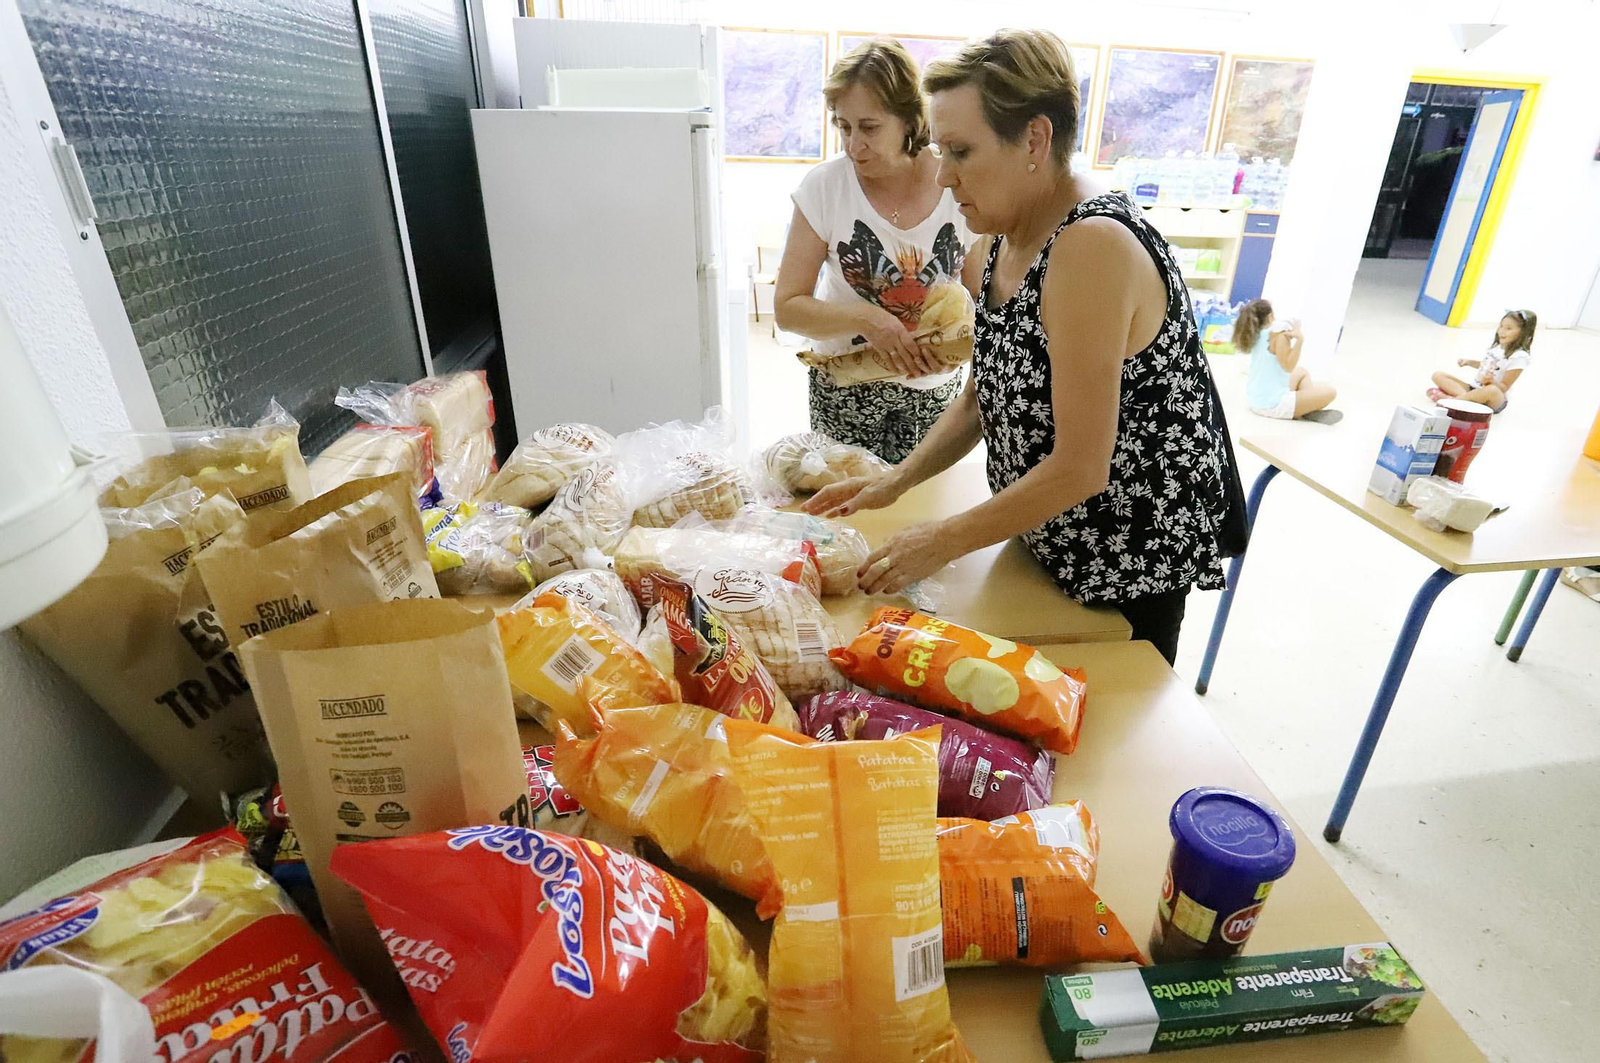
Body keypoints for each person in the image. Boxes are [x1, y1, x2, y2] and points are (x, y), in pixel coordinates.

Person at [804, 29, 1243, 665]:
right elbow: (987, 394)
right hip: (1041, 540)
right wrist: (895, 481)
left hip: (1118, 567)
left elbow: (1080, 467)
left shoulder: (1092, 247)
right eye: (938, 149)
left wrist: (945, 539)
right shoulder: (1003, 239)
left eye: (960, 151)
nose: (944, 175)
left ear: (1034, 140)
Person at [774, 38, 975, 464]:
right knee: (847, 514)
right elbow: (788, 309)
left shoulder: (957, 182)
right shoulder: (825, 188)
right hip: (844, 388)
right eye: (843, 126)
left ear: (908, 119)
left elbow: (986, 308)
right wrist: (870, 319)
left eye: (869, 127)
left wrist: (954, 350)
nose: (852, 145)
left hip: (934, 393)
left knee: (920, 520)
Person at [1234, 298, 1338, 421]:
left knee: (1302, 372)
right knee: (1331, 392)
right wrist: (1299, 340)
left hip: (1255, 401)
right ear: (1270, 316)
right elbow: (1288, 367)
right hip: (1273, 405)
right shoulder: (1279, 336)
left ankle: (1306, 408)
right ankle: (1306, 410)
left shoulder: (1255, 334)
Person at [1428, 309, 1536, 413]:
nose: (1502, 331)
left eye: (1508, 328)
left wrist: (1491, 381)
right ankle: (1464, 399)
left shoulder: (1520, 357)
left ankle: (1452, 401)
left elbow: (1504, 387)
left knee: (1491, 390)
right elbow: (1486, 365)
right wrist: (1469, 362)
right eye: (1501, 326)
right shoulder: (1498, 346)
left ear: (1523, 333)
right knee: (1438, 375)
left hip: (1494, 398)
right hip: (1475, 388)